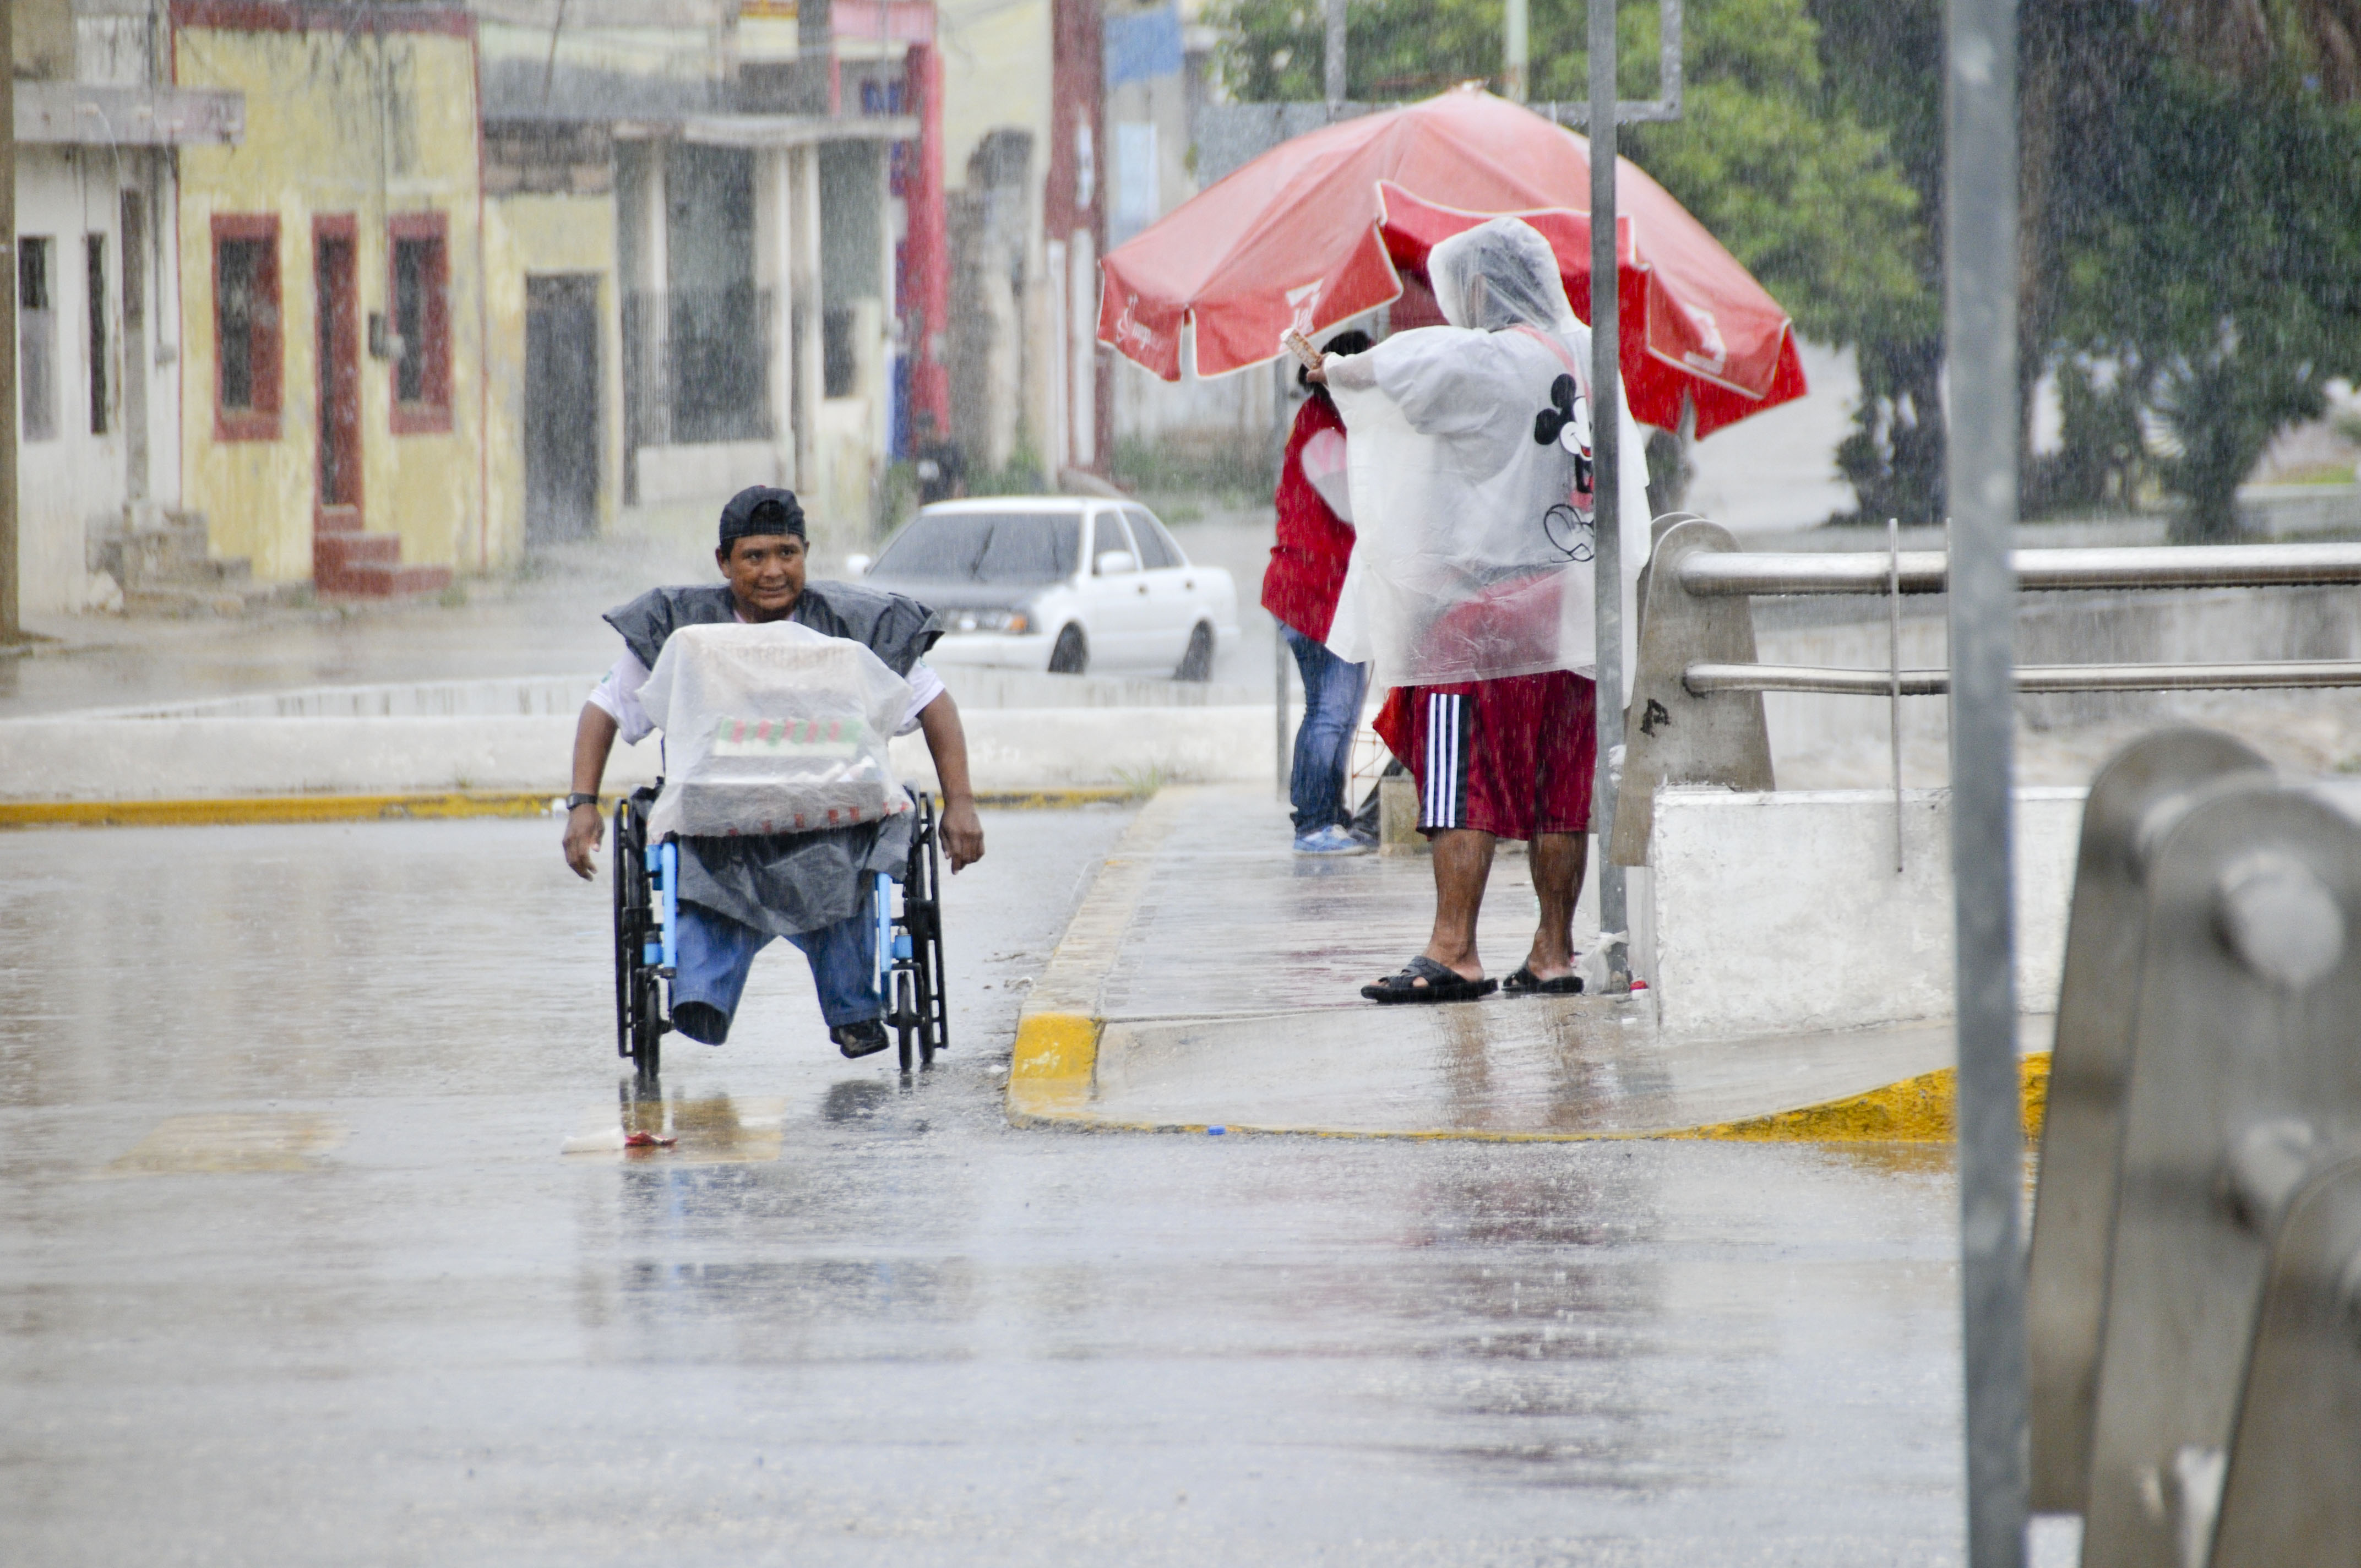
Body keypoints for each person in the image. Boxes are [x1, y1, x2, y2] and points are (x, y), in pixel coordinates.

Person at [1310, 217, 1649, 1004]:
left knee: (1460, 784)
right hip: (1569, 614)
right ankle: (1553, 952)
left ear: (1485, 288)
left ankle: (1453, 950)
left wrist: (1332, 368)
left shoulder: (1484, 358)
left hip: (1482, 621)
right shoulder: (1592, 356)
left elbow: (1404, 372)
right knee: (1560, 792)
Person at [561, 486, 987, 1058]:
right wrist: (582, 802)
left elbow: (935, 704)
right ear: (723, 561)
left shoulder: (853, 622)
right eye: (754, 556)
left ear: (806, 553)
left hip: (828, 819)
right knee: (699, 867)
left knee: (848, 860)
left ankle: (855, 1009)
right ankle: (702, 997)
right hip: (720, 823)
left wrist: (960, 801)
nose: (773, 571)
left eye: (787, 553)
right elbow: (606, 707)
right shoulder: (682, 629)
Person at [1264, 327, 1376, 856]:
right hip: (1315, 595)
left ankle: (1329, 814)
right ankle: (1313, 822)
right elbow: (1359, 512)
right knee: (1330, 710)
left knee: (1339, 709)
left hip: (1322, 594)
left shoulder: (1327, 425)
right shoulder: (1325, 434)